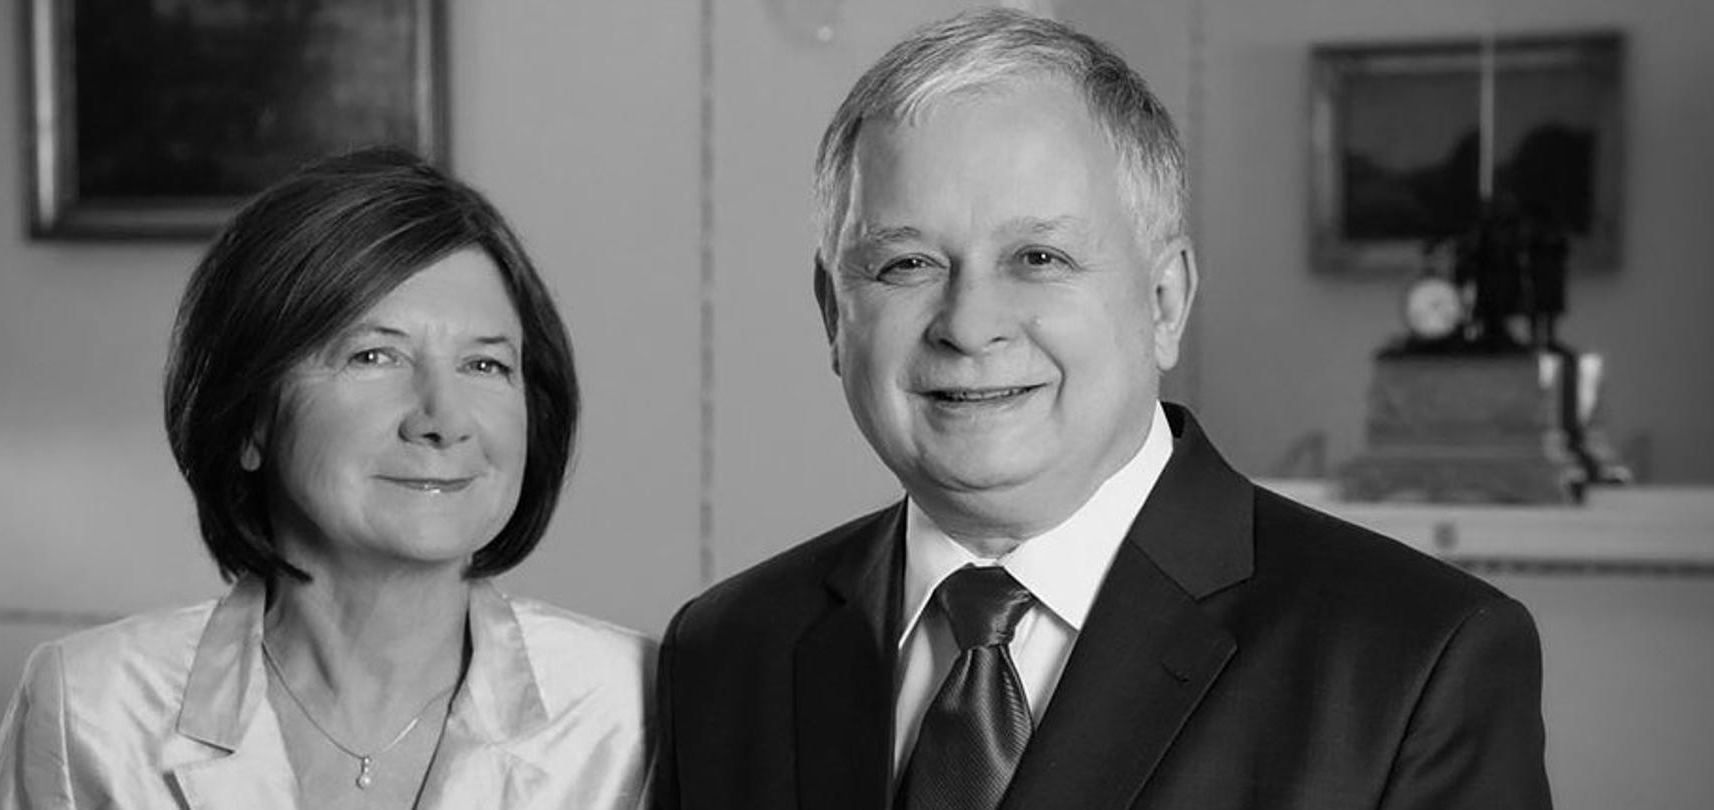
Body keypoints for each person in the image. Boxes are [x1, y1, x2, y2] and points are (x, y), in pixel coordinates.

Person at [654, 9, 1551, 810]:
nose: (969, 325)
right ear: (832, 315)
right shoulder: (729, 651)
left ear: (1165, 301)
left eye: (1039, 258)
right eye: (905, 264)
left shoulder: (1414, 660)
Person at [0, 148, 652, 809]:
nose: (443, 420)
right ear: (250, 419)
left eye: (485, 366)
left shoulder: (638, 711)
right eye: (374, 355)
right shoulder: (89, 709)